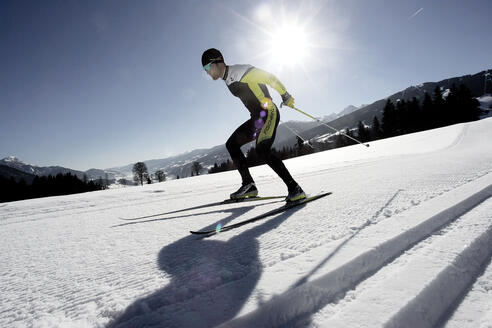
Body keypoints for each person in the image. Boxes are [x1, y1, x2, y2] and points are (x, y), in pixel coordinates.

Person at [201, 48, 306, 202]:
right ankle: (249, 185)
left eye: (208, 67)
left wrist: (285, 95)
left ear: (218, 61)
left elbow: (269, 77)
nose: (208, 72)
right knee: (232, 144)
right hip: (257, 119)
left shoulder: (240, 71)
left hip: (268, 113)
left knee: (262, 149)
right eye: (205, 70)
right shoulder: (228, 79)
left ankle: (295, 188)